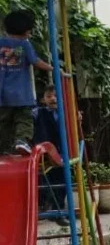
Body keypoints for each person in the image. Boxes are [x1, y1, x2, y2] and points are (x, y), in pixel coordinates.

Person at [1, 10, 53, 155]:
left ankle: (4, 149)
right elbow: (36, 62)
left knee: (4, 122)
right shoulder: (24, 44)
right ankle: (22, 141)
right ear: (27, 31)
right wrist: (53, 69)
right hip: (21, 94)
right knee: (24, 118)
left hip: (2, 95)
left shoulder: (0, 43)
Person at [33, 86, 66, 219]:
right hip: (46, 154)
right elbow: (29, 116)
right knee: (48, 181)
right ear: (43, 100)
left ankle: (58, 209)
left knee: (63, 180)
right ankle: (50, 206)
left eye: (56, 96)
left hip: (62, 152)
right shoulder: (39, 112)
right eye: (49, 96)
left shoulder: (65, 112)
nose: (53, 98)